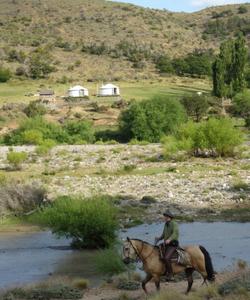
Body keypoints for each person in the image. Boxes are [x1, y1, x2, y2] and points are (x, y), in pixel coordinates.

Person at [155, 210, 179, 280]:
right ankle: (163, 271)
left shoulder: (174, 224)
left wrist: (170, 239)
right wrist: (159, 238)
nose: (164, 217)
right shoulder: (166, 224)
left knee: (166, 258)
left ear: (168, 217)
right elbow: (164, 234)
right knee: (157, 252)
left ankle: (171, 274)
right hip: (166, 244)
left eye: (165, 216)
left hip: (173, 244)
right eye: (164, 216)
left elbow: (175, 233)